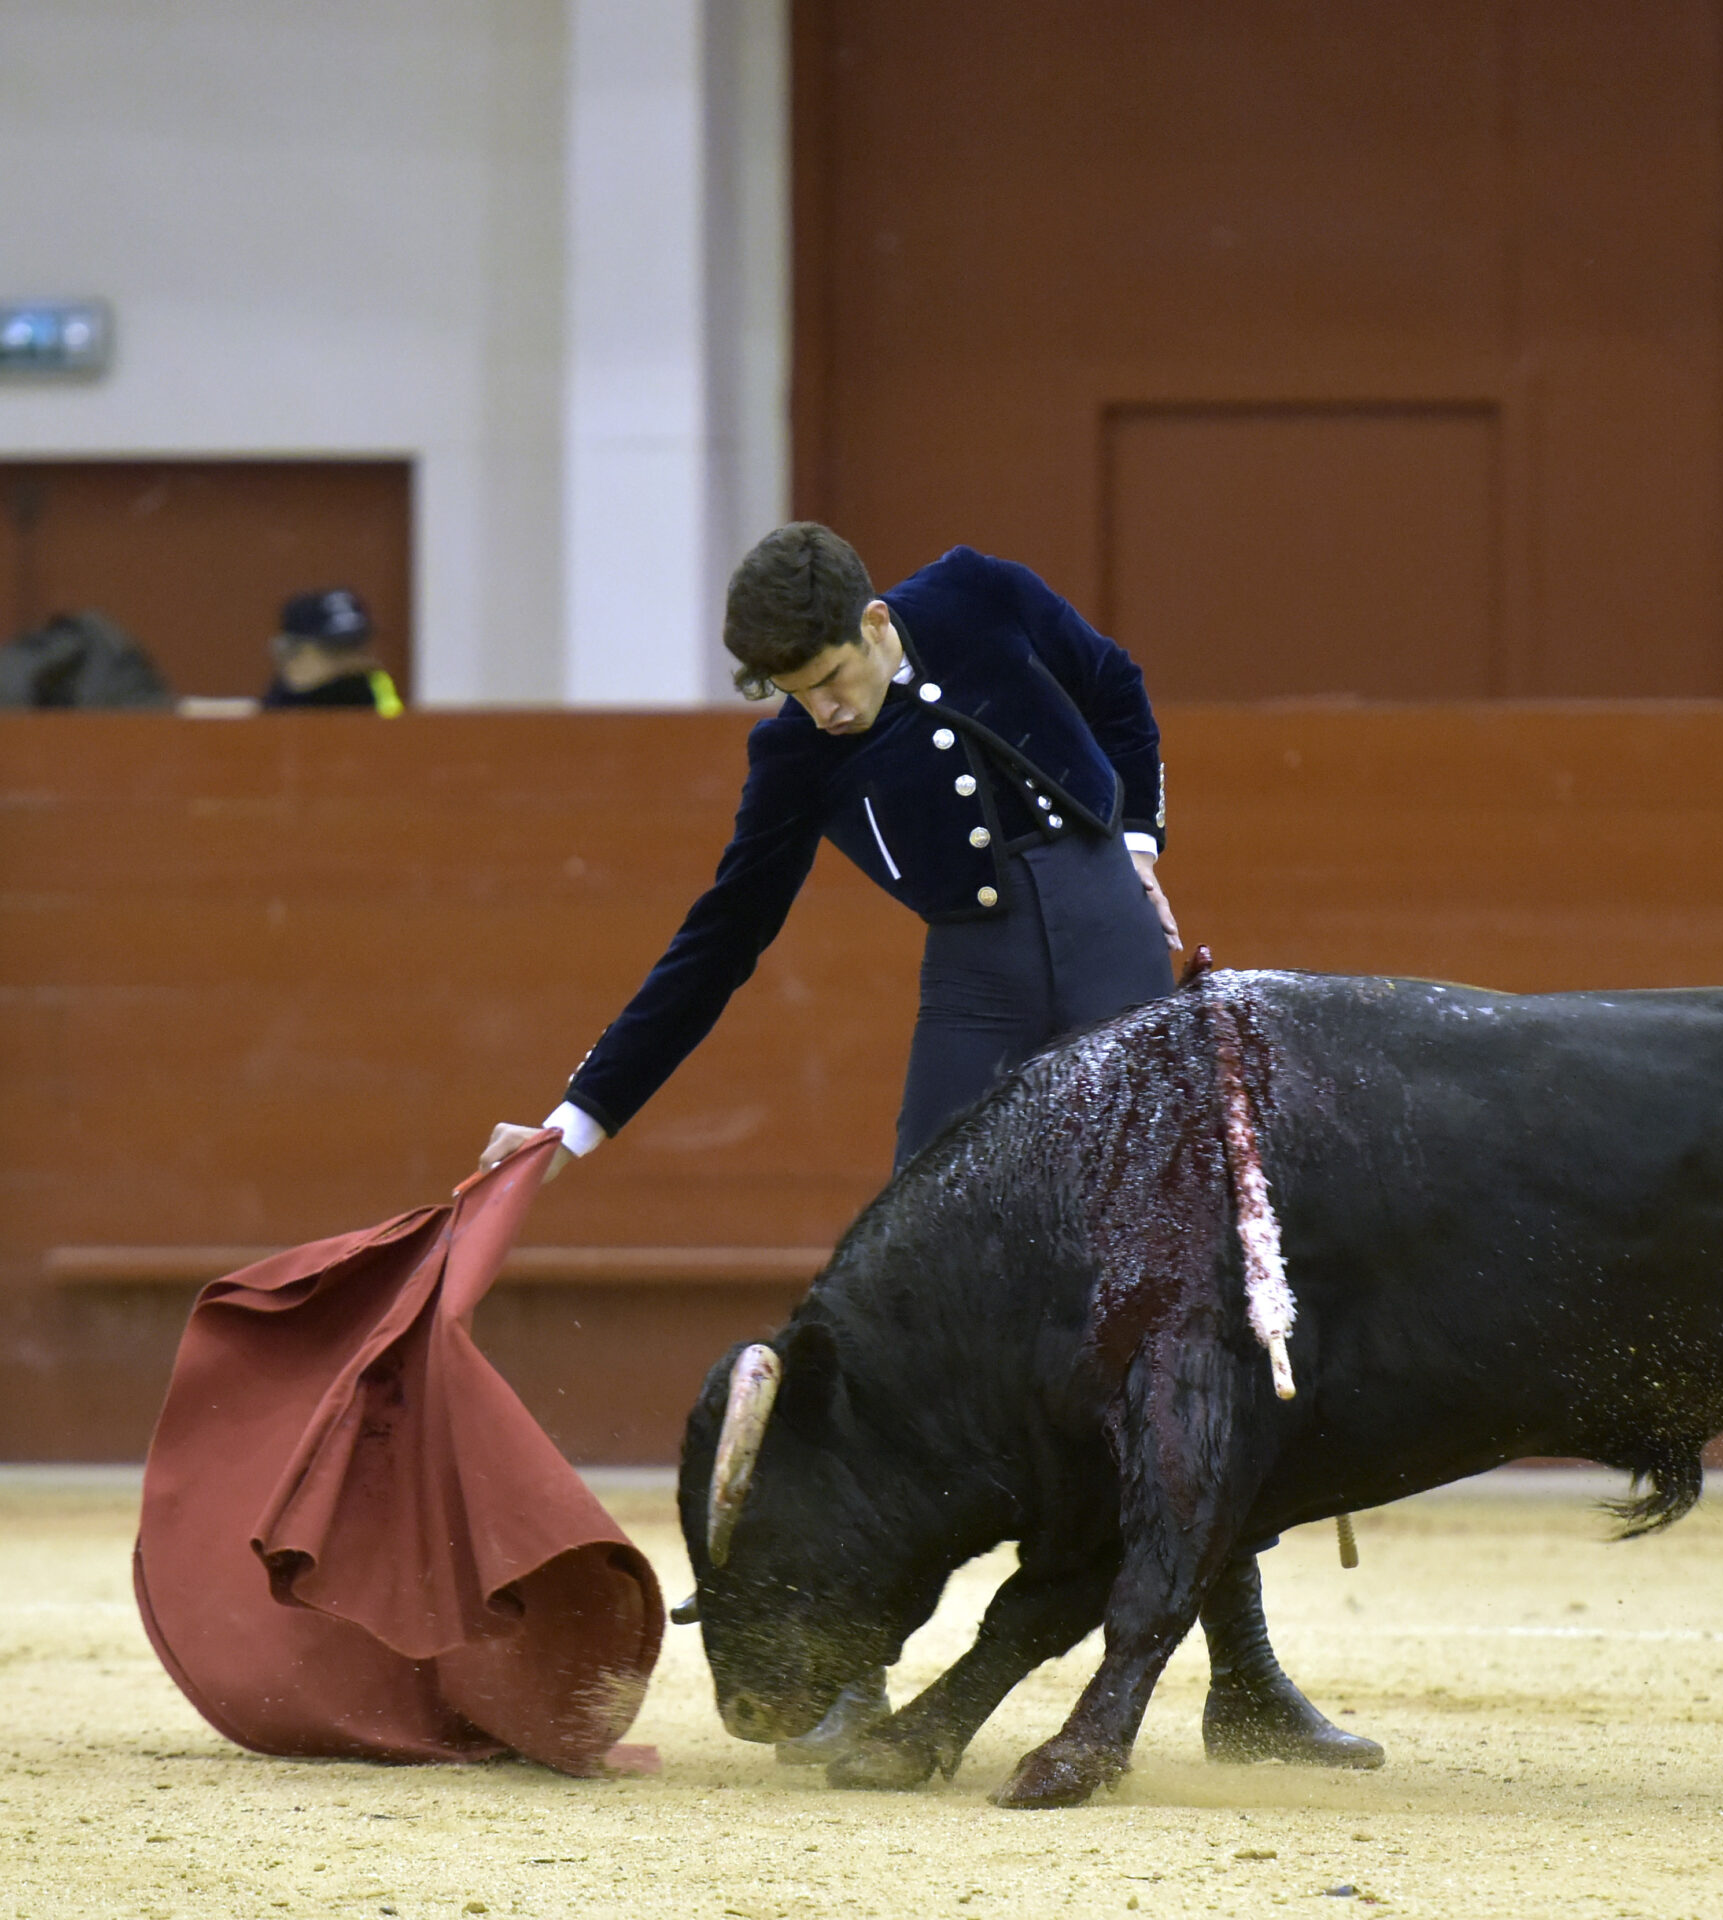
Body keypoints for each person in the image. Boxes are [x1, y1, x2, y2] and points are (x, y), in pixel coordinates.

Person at [479, 523, 1379, 1771]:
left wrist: (1135, 841)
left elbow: (1114, 685)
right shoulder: (793, 753)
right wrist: (578, 1118)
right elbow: (720, 940)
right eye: (794, 695)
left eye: (831, 680)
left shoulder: (977, 595)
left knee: (1186, 1303)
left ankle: (1248, 1681)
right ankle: (851, 1668)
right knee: (900, 1312)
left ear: (876, 625)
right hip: (978, 994)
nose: (824, 712)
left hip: (1112, 952)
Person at [262, 588, 403, 714]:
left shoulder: (374, 688)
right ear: (291, 655)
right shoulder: (270, 713)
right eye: (335, 649)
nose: (351, 660)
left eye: (357, 645)